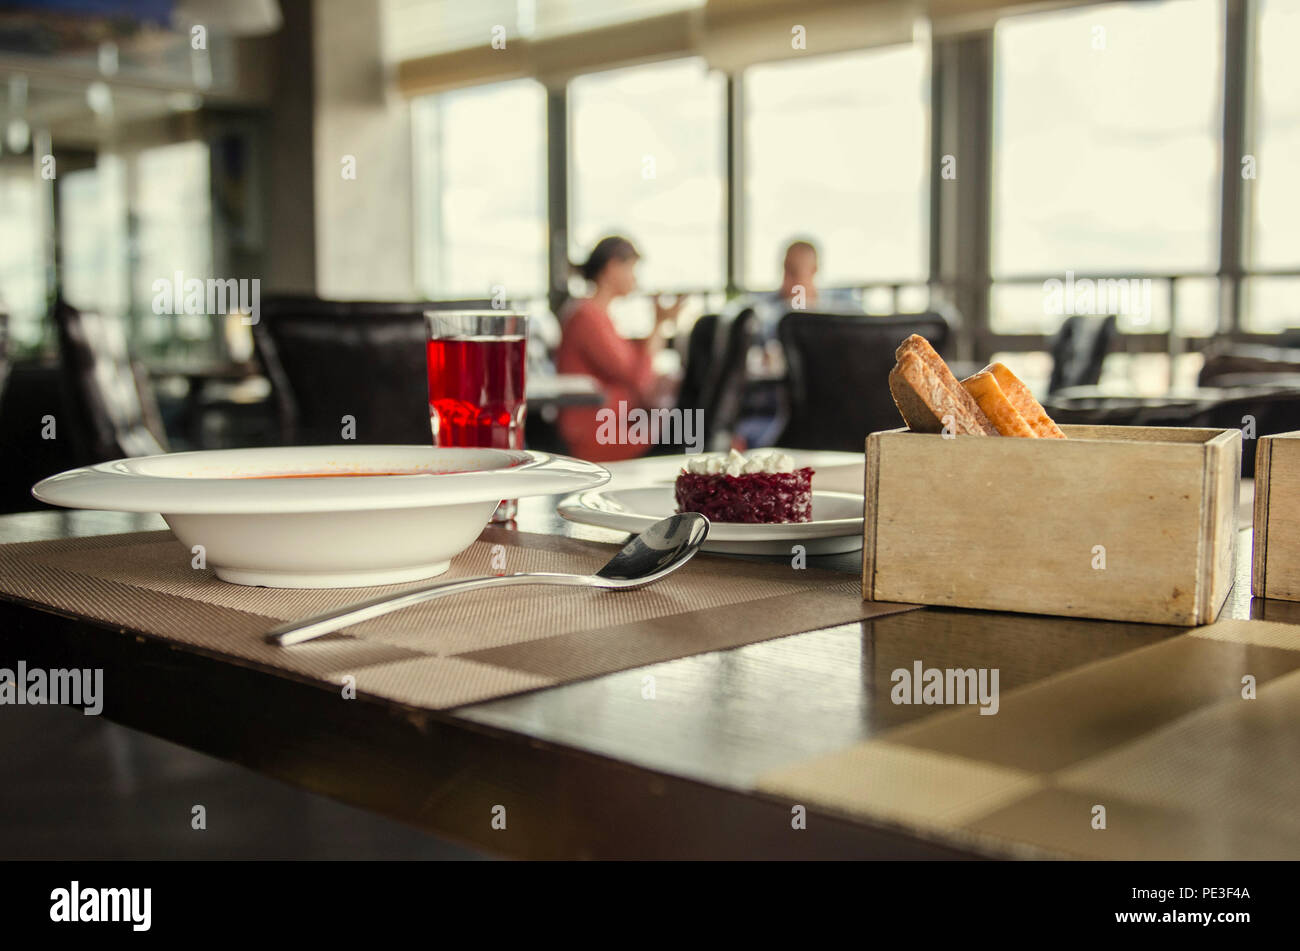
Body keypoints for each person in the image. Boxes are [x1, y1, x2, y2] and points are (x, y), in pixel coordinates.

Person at [554, 236, 685, 462]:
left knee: (687, 423)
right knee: (692, 429)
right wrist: (659, 324)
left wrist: (659, 324)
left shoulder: (597, 315)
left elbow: (640, 370)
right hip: (598, 432)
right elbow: (637, 376)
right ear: (612, 267)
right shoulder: (587, 317)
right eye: (631, 268)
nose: (635, 277)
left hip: (614, 423)